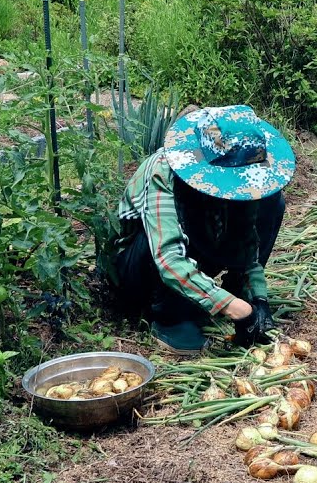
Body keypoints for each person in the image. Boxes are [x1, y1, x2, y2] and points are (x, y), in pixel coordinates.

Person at [110, 105, 295, 355]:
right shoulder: (163, 172)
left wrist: (257, 297)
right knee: (163, 235)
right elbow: (168, 257)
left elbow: (248, 234)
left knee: (271, 201)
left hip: (200, 240)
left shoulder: (246, 176)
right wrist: (232, 308)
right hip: (143, 265)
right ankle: (168, 317)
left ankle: (231, 293)